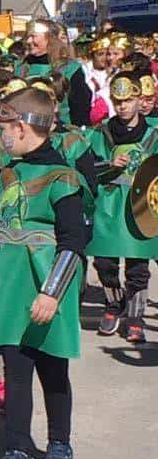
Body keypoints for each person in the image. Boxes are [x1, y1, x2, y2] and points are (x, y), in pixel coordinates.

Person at [0, 86, 85, 459]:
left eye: (4, 126)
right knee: (16, 372)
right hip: (11, 291)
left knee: (53, 371)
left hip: (46, 290)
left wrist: (52, 292)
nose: (0, 136)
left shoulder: (63, 176)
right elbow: (2, 230)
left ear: (22, 127)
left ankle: (59, 444)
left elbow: (75, 240)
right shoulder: (8, 173)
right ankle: (17, 451)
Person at [86, 73, 158, 344]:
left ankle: (136, 316)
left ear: (140, 99)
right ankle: (113, 304)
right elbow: (86, 167)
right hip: (109, 204)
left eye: (128, 100)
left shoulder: (153, 135)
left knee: (138, 264)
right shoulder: (101, 132)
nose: (123, 106)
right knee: (104, 262)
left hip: (139, 206)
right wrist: (108, 164)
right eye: (118, 101)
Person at [20, 18, 91, 126]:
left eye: (33, 36)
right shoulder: (20, 69)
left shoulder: (70, 69)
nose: (29, 41)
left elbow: (80, 111)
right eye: (27, 37)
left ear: (49, 38)